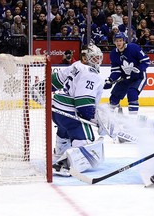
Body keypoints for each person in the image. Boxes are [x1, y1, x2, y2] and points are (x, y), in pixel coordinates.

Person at [51, 43, 104, 176]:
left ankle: (60, 152)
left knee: (64, 128)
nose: (97, 61)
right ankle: (63, 165)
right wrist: (95, 119)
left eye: (98, 58)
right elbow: (83, 106)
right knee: (88, 145)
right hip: (70, 113)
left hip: (57, 111)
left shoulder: (76, 65)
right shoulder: (92, 74)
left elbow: (54, 80)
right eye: (94, 58)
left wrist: (40, 89)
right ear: (85, 58)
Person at [103, 32, 150, 115]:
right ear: (114, 42)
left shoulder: (133, 48)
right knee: (114, 98)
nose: (118, 43)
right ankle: (115, 116)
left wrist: (138, 70)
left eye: (120, 40)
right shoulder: (114, 53)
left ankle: (132, 120)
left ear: (124, 41)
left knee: (132, 93)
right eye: (116, 41)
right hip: (125, 78)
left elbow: (146, 61)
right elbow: (116, 70)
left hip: (139, 77)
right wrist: (111, 80)